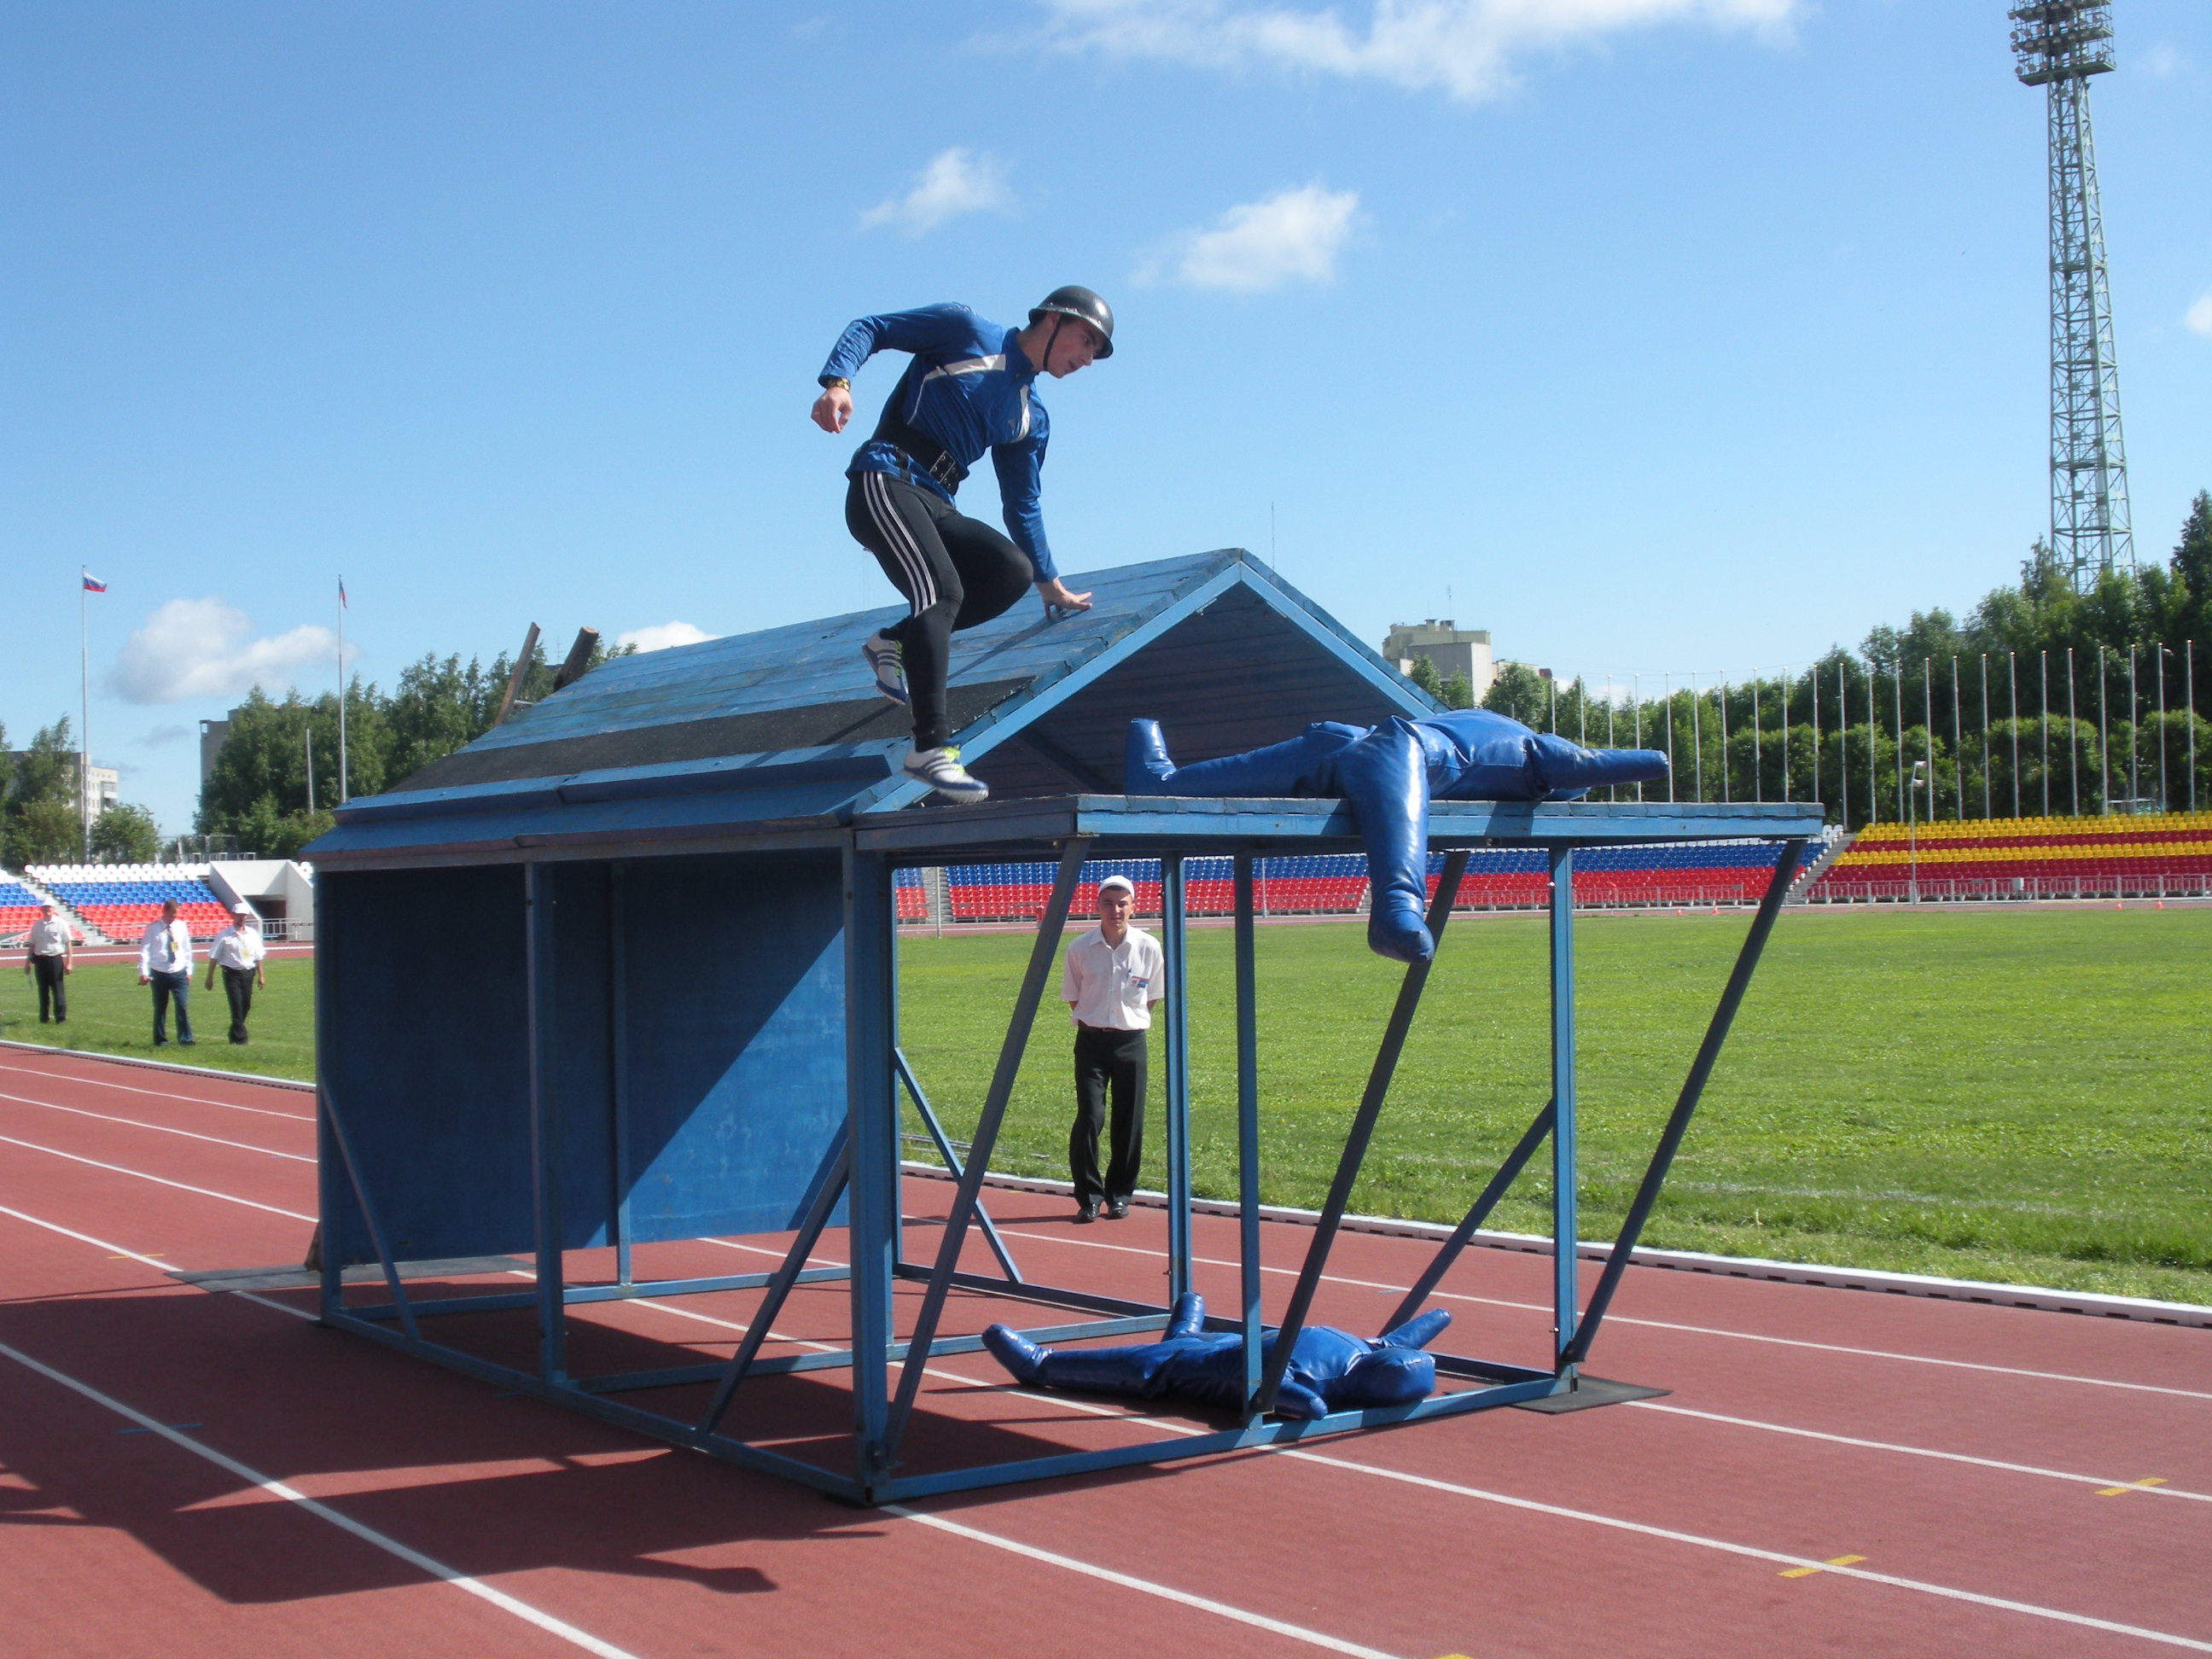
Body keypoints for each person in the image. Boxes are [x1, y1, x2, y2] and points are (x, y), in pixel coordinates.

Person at [812, 288, 1113, 804]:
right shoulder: (966, 330)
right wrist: (837, 383)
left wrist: (1050, 582)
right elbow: (872, 327)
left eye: (1096, 352)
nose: (1088, 358)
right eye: (1086, 341)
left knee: (1008, 573)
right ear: (1055, 320)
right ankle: (929, 749)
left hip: (938, 500)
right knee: (943, 592)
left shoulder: (1031, 416)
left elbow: (1023, 503)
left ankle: (895, 640)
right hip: (885, 478)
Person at [1125, 709, 1670, 964]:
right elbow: (1577, 762)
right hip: (1391, 746)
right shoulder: (1530, 753)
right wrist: (1650, 762)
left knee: (1173, 785)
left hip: (1346, 746)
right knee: (1395, 746)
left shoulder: (1517, 754)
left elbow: (1577, 766)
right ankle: (1396, 906)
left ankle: (1151, 760)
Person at [981, 1291, 1452, 1420]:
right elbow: (1400, 1339)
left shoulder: (1315, 1383)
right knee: (1188, 1338)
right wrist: (1435, 1318)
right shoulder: (1367, 1351)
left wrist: (1436, 1319)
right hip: (1229, 1345)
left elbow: (1300, 1403)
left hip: (1182, 1369)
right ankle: (1184, 1329)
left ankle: (1040, 1362)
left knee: (1148, 1362)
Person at [1059, 872, 1163, 1223]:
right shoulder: (1079, 948)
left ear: (1133, 907)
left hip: (1131, 1042)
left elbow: (1151, 998)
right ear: (1097, 906)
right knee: (1090, 1117)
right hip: (1091, 1041)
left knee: (1128, 1120)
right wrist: (1097, 1021)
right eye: (1108, 903)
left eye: (1122, 903)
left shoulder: (1148, 947)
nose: (1115, 910)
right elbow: (1073, 996)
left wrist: (1126, 1022)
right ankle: (1088, 1195)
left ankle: (1120, 1194)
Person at [203, 904, 267, 1045]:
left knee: (246, 1004)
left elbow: (258, 956)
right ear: (233, 915)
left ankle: (234, 1032)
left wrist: (261, 975)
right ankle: (240, 1039)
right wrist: (209, 978)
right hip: (231, 974)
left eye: (244, 915)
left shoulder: (252, 934)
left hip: (248, 973)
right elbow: (213, 957)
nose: (242, 918)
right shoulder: (224, 935)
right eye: (239, 915)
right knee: (236, 1004)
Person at [137, 899, 195, 1046]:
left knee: (182, 1005)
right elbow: (144, 951)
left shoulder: (181, 927)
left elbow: (187, 949)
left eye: (176, 915)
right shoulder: (153, 929)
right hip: (159, 972)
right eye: (171, 915)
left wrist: (189, 970)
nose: (173, 918)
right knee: (160, 1008)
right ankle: (160, 1039)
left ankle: (186, 1039)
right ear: (164, 911)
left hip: (178, 972)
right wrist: (143, 972)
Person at [24, 901, 73, 1023]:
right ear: (41, 909)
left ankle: (60, 1019)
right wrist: (27, 962)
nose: (47, 909)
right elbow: (32, 945)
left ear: (54, 908)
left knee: (57, 990)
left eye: (49, 907)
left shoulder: (60, 924)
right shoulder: (37, 925)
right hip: (40, 960)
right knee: (43, 990)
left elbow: (68, 943)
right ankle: (43, 1018)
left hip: (55, 959)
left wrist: (69, 962)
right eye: (45, 907)